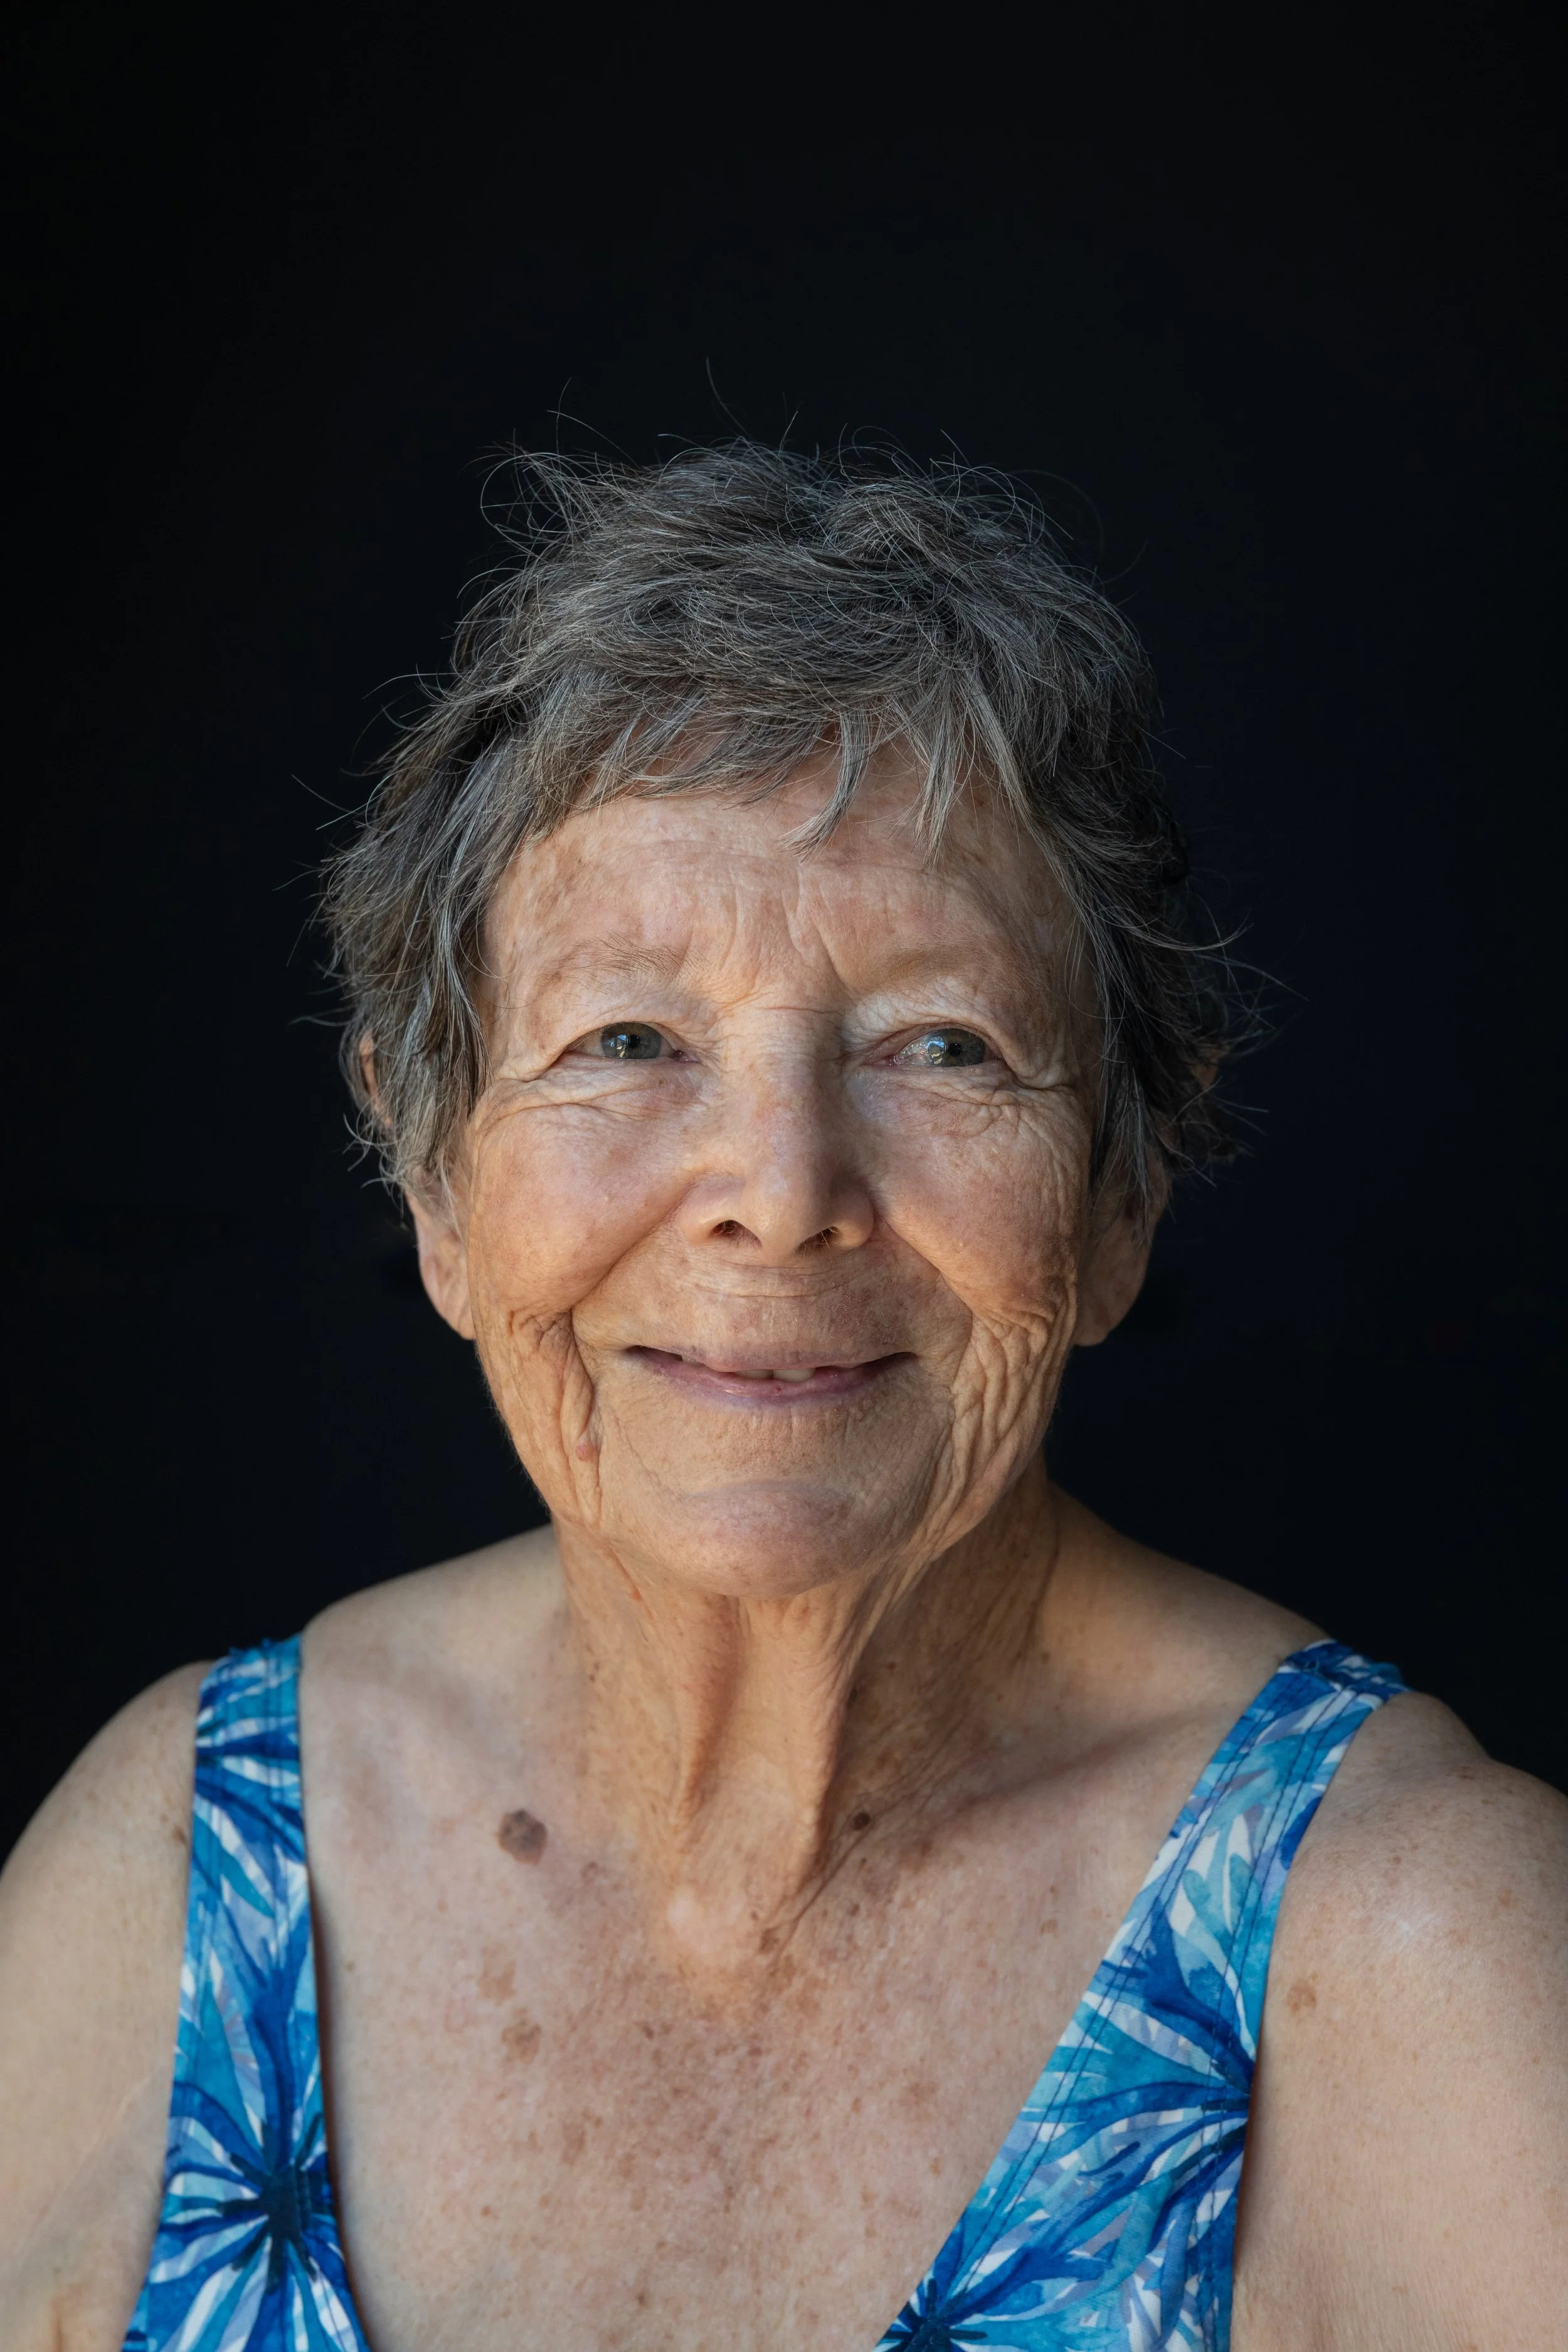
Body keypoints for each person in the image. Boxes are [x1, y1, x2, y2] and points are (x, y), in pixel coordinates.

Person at [1, 447, 1562, 2352]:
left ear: (1124, 1187)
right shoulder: (180, 1862)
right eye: (627, 1039)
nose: (780, 1189)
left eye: (939, 1043)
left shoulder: (1424, 1950)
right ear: (434, 1183)